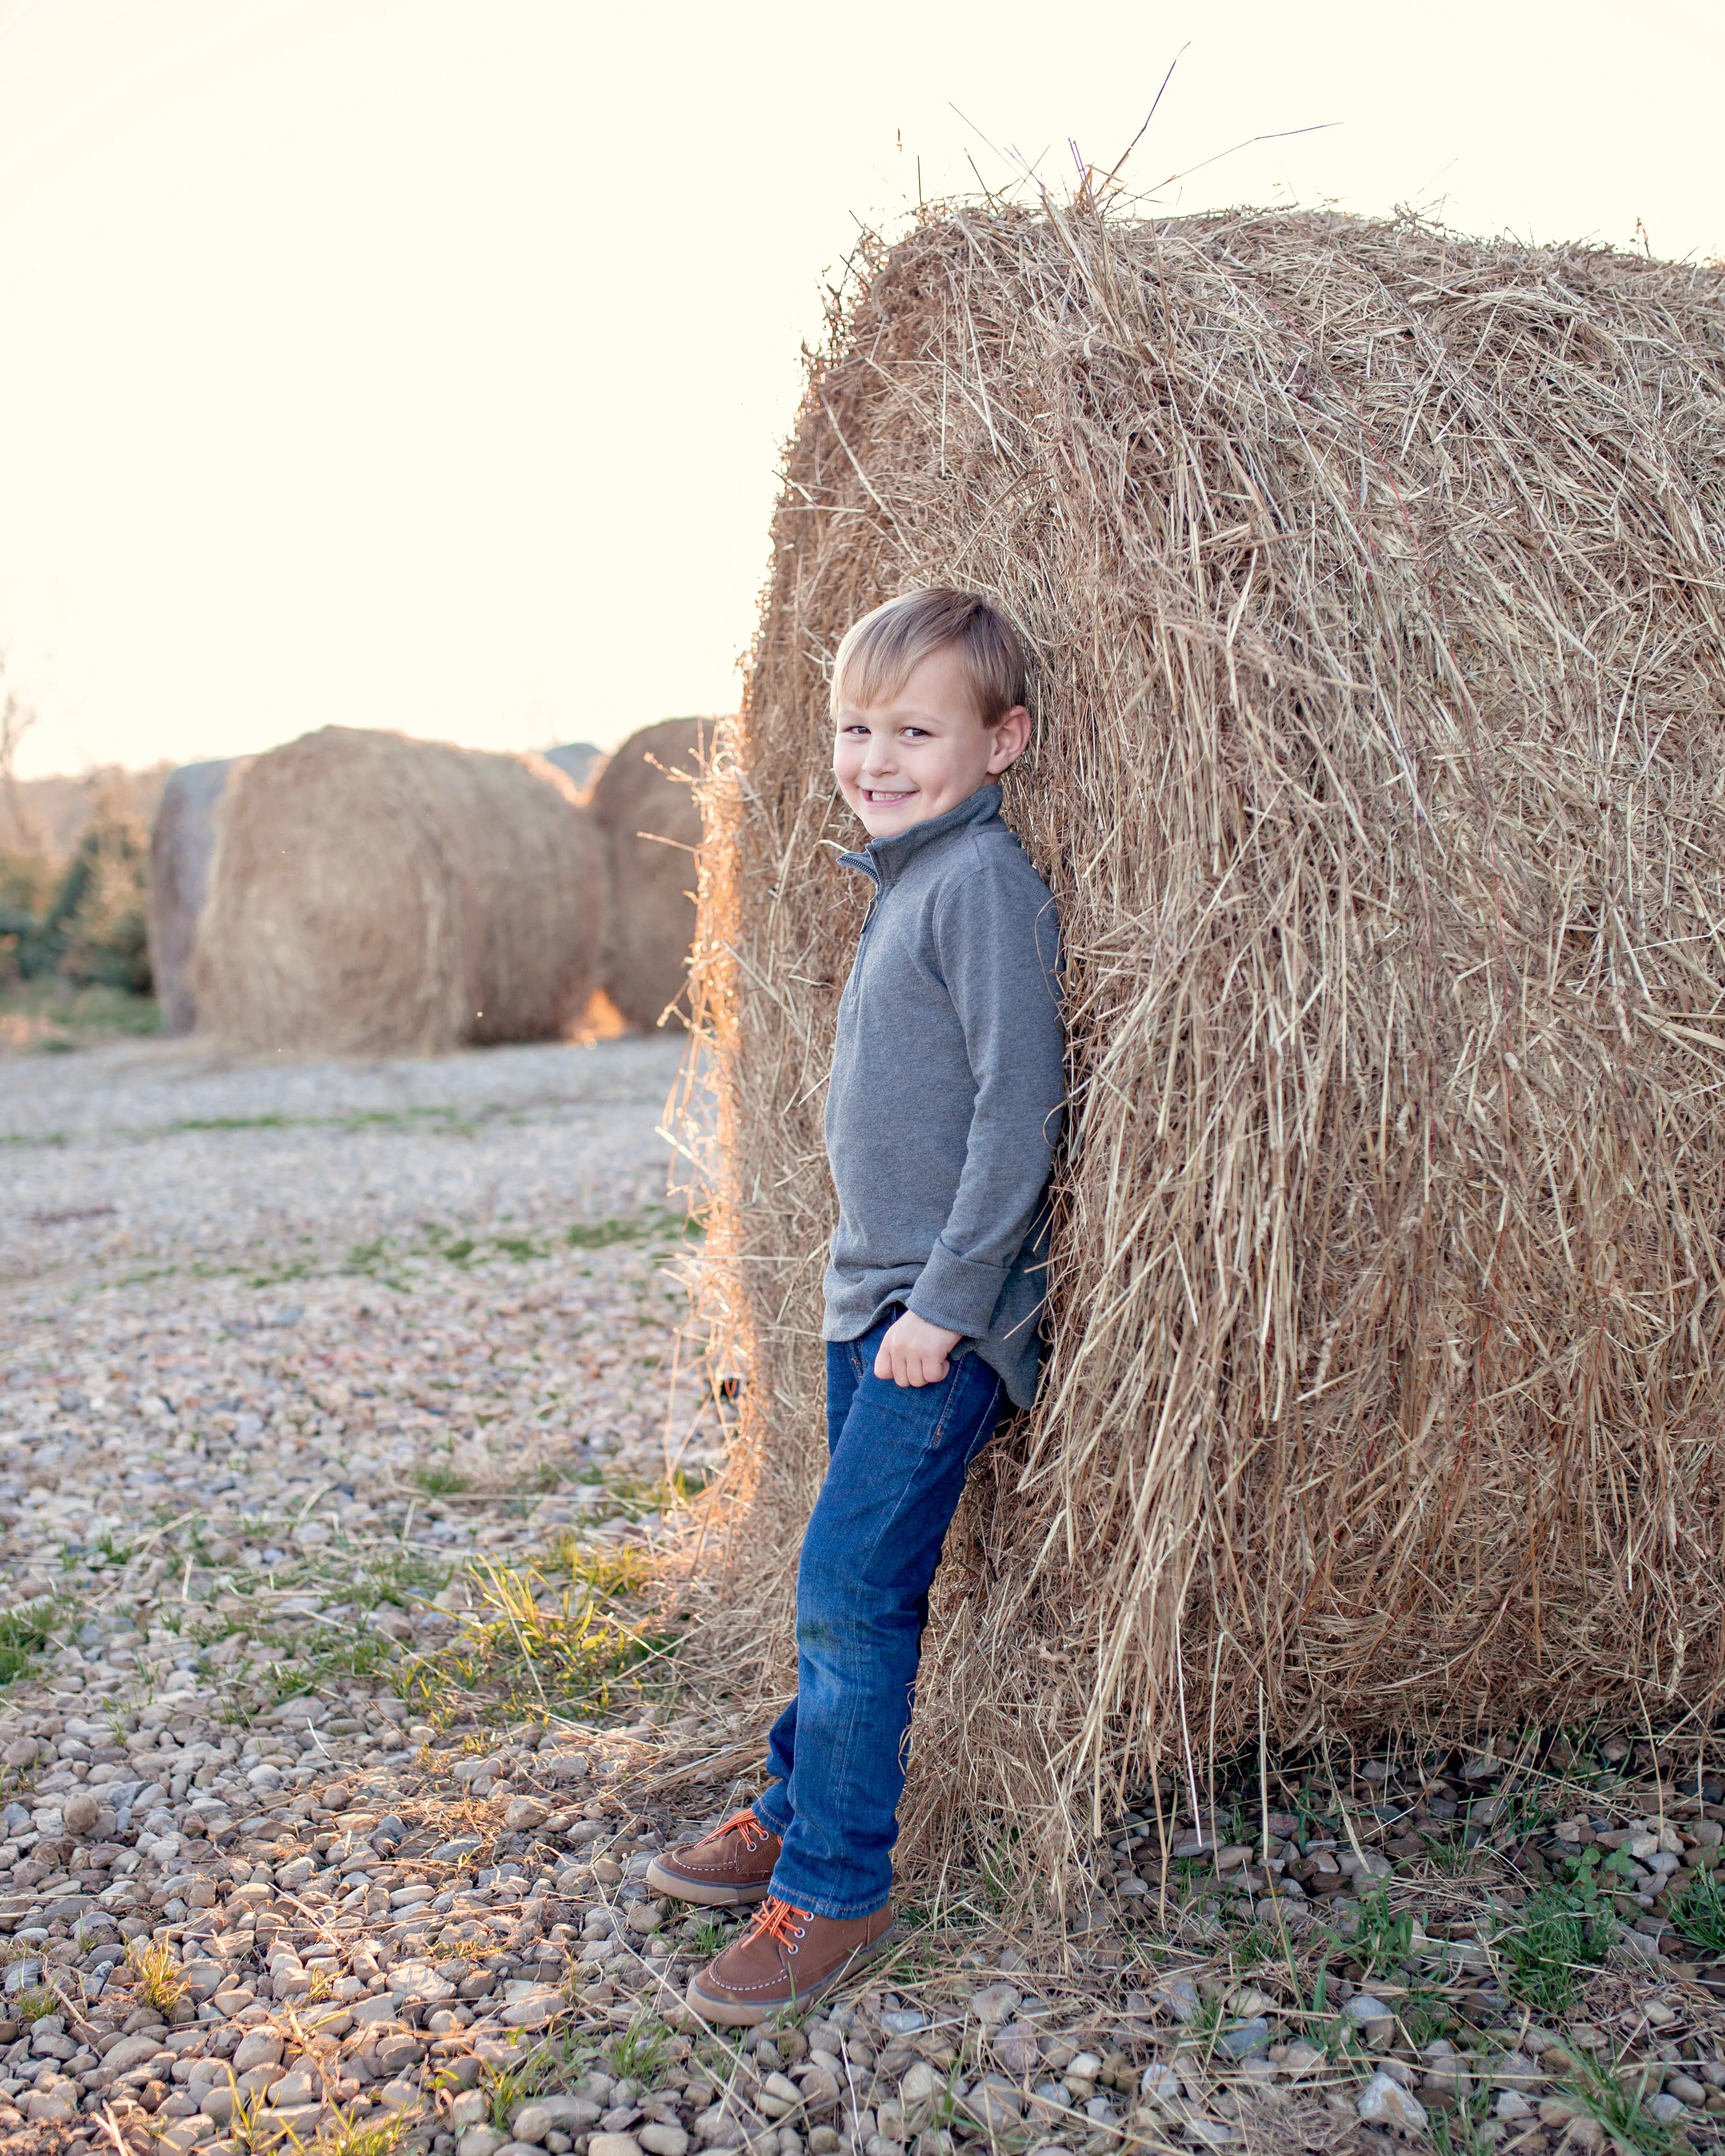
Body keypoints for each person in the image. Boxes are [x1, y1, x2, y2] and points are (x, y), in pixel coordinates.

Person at [645, 588, 1066, 2024]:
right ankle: (788, 1793)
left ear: (1003, 741)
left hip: (931, 1322)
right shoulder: (908, 880)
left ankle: (831, 1885)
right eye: (854, 729)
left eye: (916, 731)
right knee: (844, 1577)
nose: (875, 757)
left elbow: (1020, 1113)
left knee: (850, 1591)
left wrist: (947, 1310)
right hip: (866, 1305)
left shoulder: (984, 887)